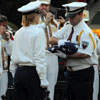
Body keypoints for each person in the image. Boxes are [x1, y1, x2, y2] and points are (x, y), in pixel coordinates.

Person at [49, 2, 98, 100]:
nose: (70, 19)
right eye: (69, 16)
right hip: (70, 72)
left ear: (80, 14)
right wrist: (62, 43)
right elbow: (51, 39)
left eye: (72, 16)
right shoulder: (68, 27)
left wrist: (65, 55)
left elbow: (85, 54)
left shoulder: (86, 32)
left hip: (83, 72)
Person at [9, 1, 53, 100]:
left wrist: (14, 73)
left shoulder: (19, 32)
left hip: (19, 73)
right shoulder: (38, 32)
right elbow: (39, 57)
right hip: (32, 74)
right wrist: (43, 79)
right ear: (36, 16)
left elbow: (13, 56)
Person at [37, 0, 59, 100]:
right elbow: (34, 33)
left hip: (53, 55)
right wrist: (46, 21)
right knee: (39, 84)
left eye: (46, 6)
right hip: (41, 55)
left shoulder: (54, 21)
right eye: (42, 5)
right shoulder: (35, 19)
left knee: (52, 83)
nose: (44, 8)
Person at [83, 9, 100, 100]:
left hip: (92, 66)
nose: (84, 24)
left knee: (93, 94)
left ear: (88, 22)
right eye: (83, 22)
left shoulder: (93, 35)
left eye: (86, 22)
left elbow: (99, 50)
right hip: (80, 67)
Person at [0, 15, 13, 100]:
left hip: (4, 70)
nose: (3, 28)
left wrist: (8, 41)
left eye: (4, 26)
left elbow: (11, 52)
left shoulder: (6, 35)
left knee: (3, 95)